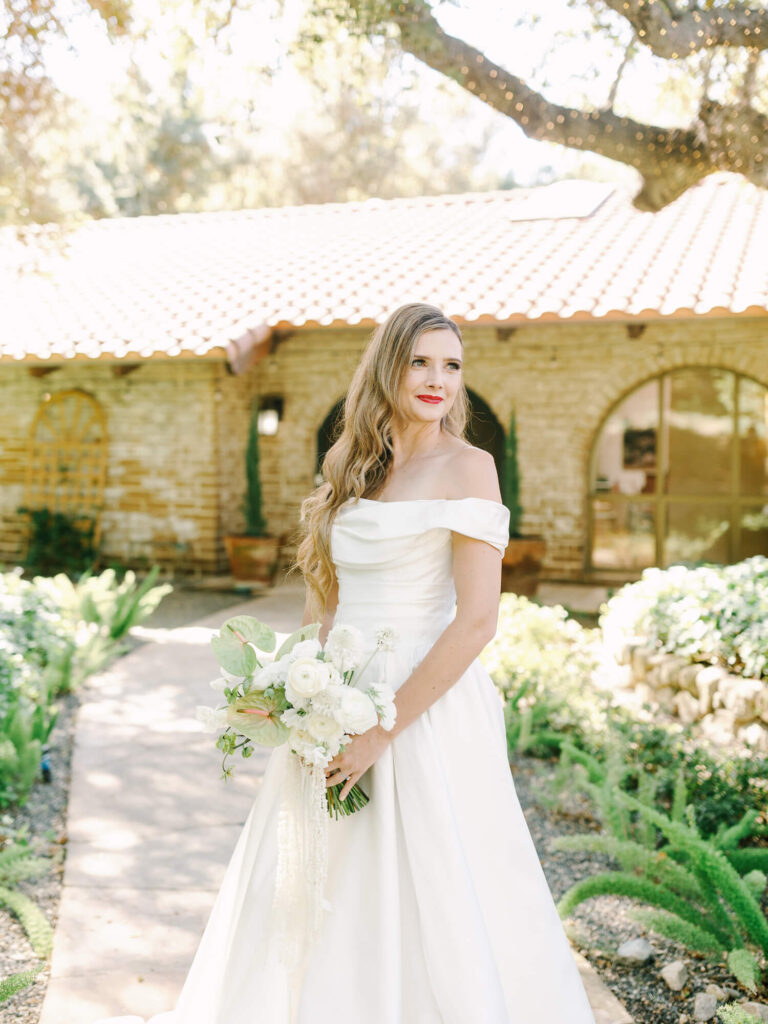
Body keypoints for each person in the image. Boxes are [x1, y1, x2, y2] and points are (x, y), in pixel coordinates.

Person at [96, 302, 596, 1023]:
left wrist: (382, 732)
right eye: (420, 361)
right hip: (331, 699)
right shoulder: (348, 465)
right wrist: (292, 700)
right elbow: (322, 607)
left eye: (451, 366)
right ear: (386, 366)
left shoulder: (470, 467)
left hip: (421, 707)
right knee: (312, 874)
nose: (437, 379)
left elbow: (478, 619)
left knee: (435, 879)